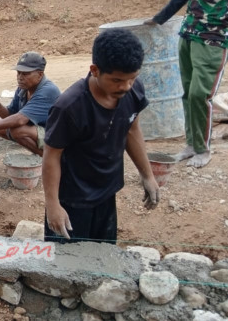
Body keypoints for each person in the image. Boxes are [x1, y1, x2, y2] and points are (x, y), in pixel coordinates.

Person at [43, 29, 159, 244]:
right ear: (95, 70)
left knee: (102, 258)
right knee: (66, 266)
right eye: (116, 80)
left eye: (132, 78)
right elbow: (51, 155)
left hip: (106, 193)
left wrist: (147, 175)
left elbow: (132, 130)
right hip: (72, 200)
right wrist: (53, 205)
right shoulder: (69, 106)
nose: (125, 86)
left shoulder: (132, 91)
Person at [146, 0, 228, 169]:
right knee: (187, 93)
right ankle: (191, 144)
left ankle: (203, 150)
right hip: (188, 35)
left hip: (214, 38)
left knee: (200, 94)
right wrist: (157, 20)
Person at [0, 52, 61, 156]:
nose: (20, 77)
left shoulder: (48, 90)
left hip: (56, 135)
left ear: (40, 75)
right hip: (39, 130)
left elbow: (19, 120)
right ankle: (39, 152)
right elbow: (9, 115)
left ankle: (48, 157)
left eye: (25, 74)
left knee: (18, 130)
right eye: (18, 73)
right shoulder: (24, 88)